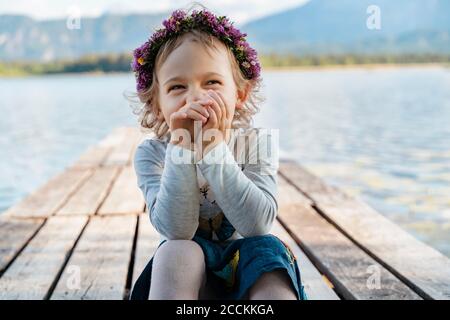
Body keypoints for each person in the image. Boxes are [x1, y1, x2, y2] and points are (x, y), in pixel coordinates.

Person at [129, 5, 307, 300]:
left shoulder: (256, 143)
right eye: (176, 87)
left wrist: (213, 148)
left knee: (268, 249)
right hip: (191, 278)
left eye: (211, 82)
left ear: (239, 94)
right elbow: (177, 230)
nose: (195, 96)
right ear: (157, 105)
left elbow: (257, 224)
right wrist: (182, 148)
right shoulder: (151, 154)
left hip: (248, 267)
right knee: (176, 251)